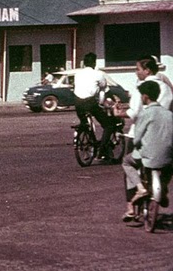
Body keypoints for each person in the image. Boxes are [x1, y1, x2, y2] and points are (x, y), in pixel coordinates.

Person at [121, 80, 173, 222]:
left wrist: (138, 144)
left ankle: (140, 188)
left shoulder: (145, 114)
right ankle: (162, 187)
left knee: (126, 162)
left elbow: (137, 138)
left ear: (145, 96)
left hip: (147, 156)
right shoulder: (169, 114)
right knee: (169, 168)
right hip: (168, 156)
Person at [72, 52, 116, 160]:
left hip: (78, 104)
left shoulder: (77, 74)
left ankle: (90, 139)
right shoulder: (98, 74)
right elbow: (105, 89)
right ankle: (102, 149)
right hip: (90, 103)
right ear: (94, 63)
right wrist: (114, 99)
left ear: (84, 63)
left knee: (85, 124)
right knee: (108, 125)